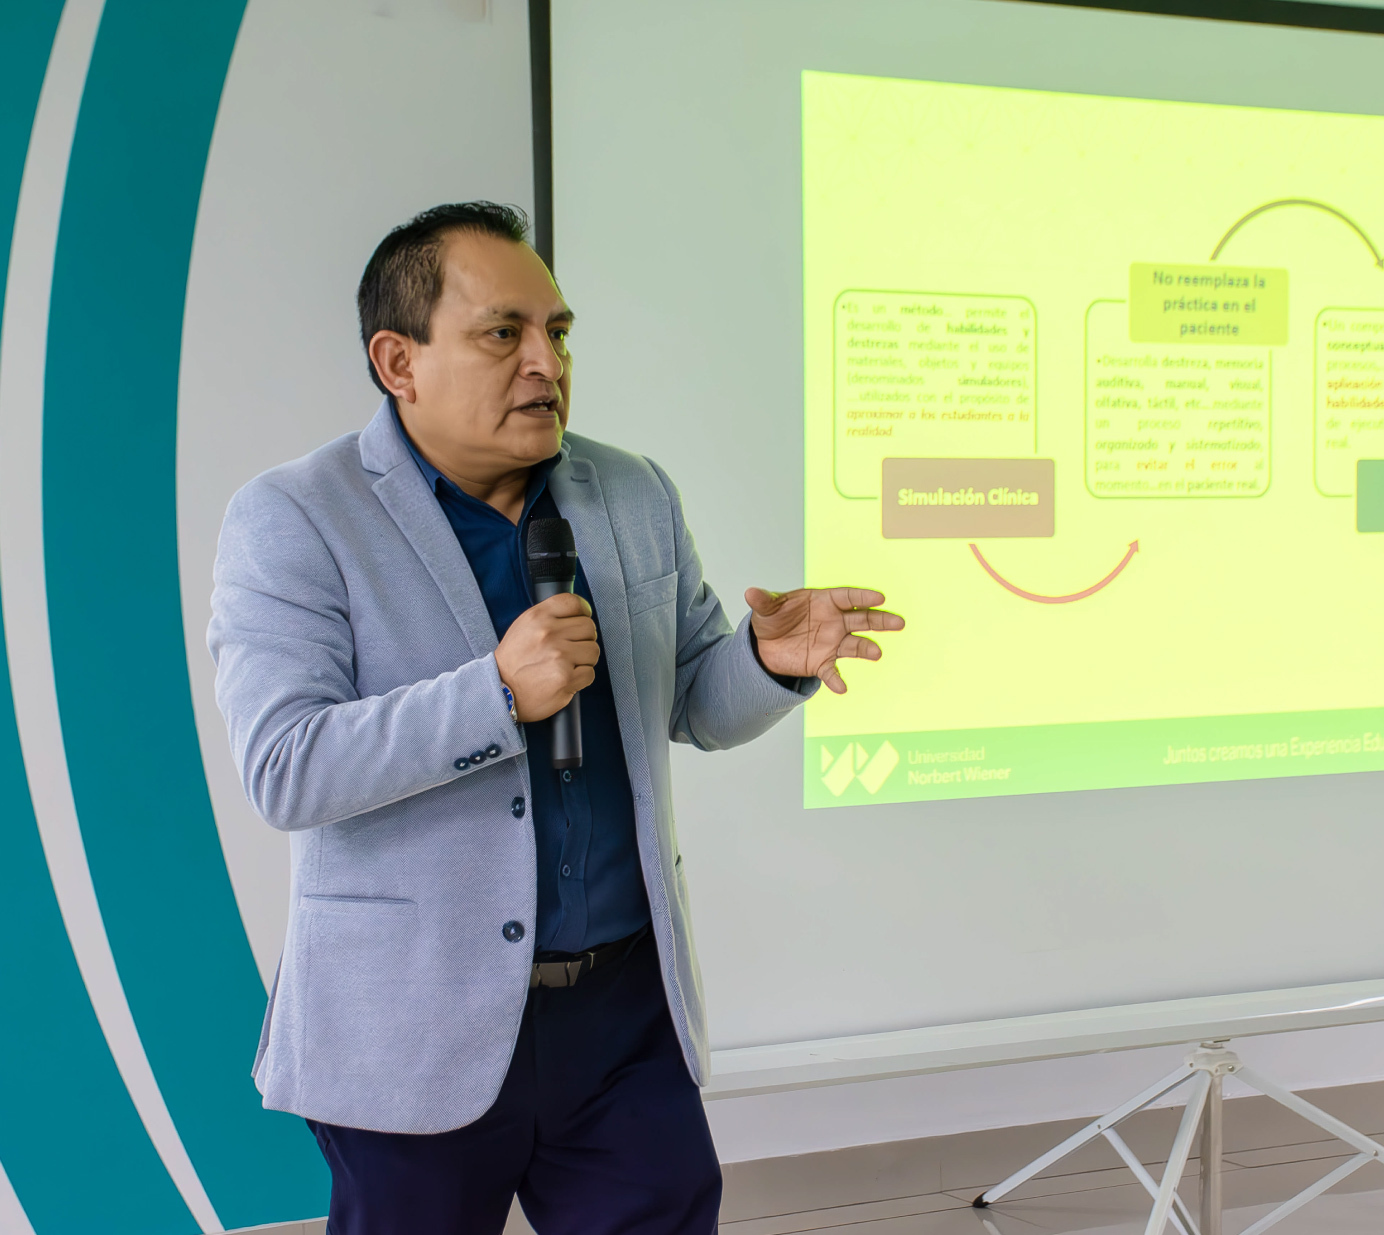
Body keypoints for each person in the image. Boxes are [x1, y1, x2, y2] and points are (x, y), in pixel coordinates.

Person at [208, 201, 902, 1235]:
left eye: (558, 332)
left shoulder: (628, 491)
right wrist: (494, 692)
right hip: (415, 1020)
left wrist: (764, 660)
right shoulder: (297, 514)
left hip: (621, 1015)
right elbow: (287, 765)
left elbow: (693, 703)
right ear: (398, 360)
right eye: (504, 334)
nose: (545, 362)